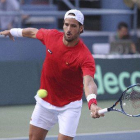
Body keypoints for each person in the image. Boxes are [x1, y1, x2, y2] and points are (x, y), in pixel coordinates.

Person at [0, 9, 104, 140]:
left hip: (70, 106)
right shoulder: (52, 36)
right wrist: (12, 31)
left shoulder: (85, 56)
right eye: (66, 24)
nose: (68, 29)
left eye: (73, 26)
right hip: (46, 101)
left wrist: (92, 103)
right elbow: (32, 32)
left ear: (81, 29)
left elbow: (88, 82)